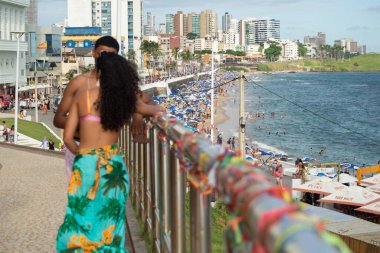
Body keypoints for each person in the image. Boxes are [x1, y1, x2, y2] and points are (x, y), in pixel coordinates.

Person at [56, 52, 164, 252]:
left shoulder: (83, 96)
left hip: (86, 163)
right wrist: (139, 116)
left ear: (99, 72)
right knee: (110, 221)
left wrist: (82, 156)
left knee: (81, 216)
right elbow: (158, 109)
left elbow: (68, 137)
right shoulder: (125, 99)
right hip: (112, 166)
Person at [53, 36, 155, 184]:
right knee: (83, 198)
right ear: (94, 53)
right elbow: (58, 119)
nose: (105, 57)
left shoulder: (120, 85)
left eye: (111, 54)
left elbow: (147, 102)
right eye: (102, 53)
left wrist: (138, 117)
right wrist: (89, 126)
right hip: (78, 145)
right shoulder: (79, 83)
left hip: (107, 150)